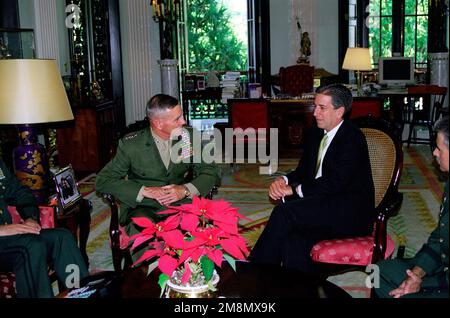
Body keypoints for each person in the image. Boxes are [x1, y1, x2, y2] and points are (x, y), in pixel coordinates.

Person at [248, 83, 375, 273]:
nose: (315, 113)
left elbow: (335, 182)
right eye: (315, 106)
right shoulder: (316, 133)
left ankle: (252, 273)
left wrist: (295, 190)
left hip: (349, 212)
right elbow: (303, 171)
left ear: (339, 111)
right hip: (321, 204)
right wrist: (284, 180)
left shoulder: (352, 138)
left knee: (284, 212)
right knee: (294, 238)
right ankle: (297, 289)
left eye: (322, 108)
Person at [95, 94, 220, 237]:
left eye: (182, 116)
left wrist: (185, 189)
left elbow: (211, 170)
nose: (183, 121)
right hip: (143, 207)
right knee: (144, 235)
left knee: (195, 235)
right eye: (177, 119)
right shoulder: (132, 145)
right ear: (158, 123)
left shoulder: (188, 137)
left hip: (180, 204)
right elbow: (103, 180)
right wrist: (144, 190)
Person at [375, 116, 448, 298]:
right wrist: (416, 274)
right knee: (375, 272)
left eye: (439, 149)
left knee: (398, 293)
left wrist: (421, 285)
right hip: (440, 269)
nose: (434, 154)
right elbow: (440, 237)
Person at [0, 159, 89, 298]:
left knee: (61, 237)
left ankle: (81, 293)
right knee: (32, 246)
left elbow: (19, 192)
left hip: (9, 238)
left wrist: (30, 217)